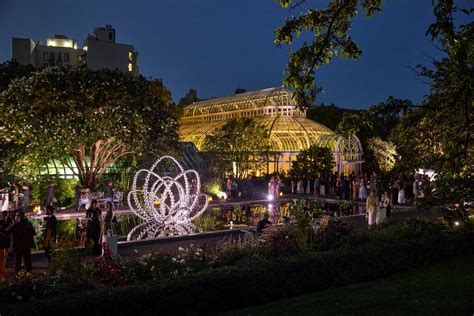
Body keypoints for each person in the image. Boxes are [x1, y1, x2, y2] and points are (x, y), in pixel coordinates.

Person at [0, 211, 11, 280]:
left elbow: (9, 231)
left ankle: (2, 273)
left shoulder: (9, 222)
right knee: (2, 258)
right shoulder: (1, 222)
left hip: (6, 243)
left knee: (4, 258)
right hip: (2, 243)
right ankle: (1, 274)